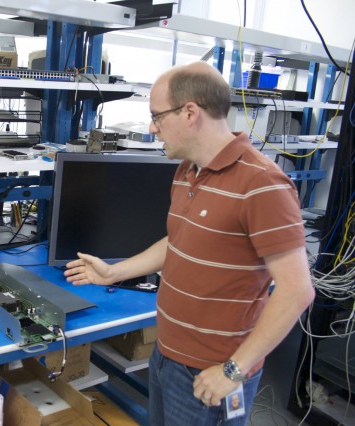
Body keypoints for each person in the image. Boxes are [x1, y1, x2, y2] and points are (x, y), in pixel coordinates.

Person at [64, 61, 315, 425]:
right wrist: (113, 272)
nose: (152, 128)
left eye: (157, 116)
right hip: (166, 354)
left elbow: (296, 291)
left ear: (190, 113)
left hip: (213, 373)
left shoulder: (263, 184)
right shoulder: (186, 170)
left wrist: (233, 371)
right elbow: (179, 241)